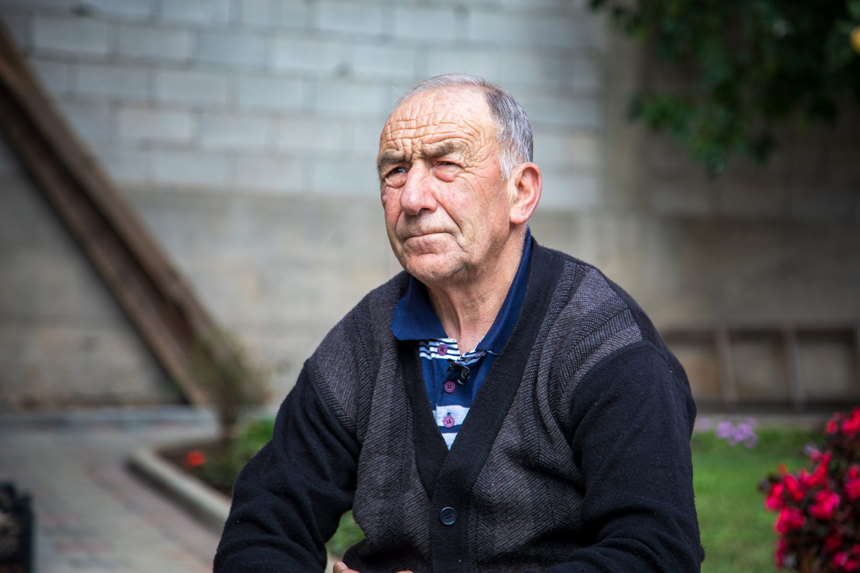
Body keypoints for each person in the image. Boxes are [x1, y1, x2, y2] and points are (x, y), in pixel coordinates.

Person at [214, 74, 703, 573]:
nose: (412, 198)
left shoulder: (604, 342)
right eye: (395, 171)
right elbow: (264, 526)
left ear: (520, 192)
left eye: (446, 165)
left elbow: (654, 553)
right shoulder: (362, 342)